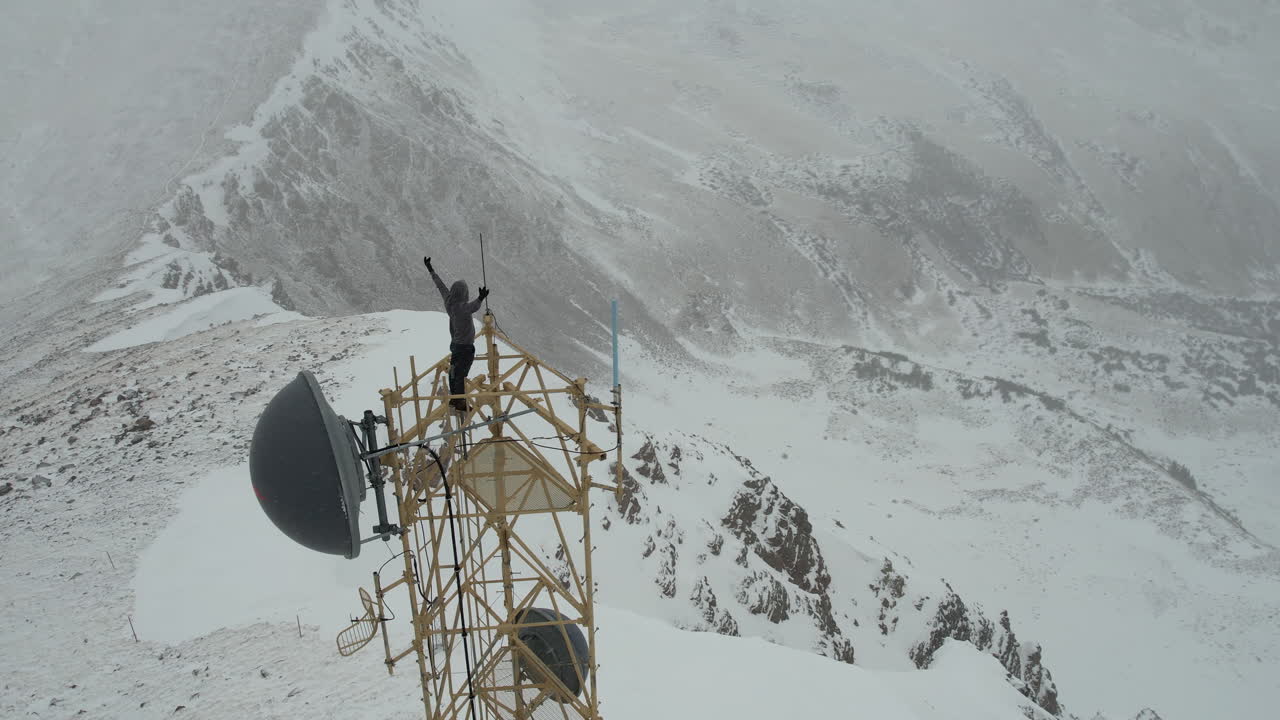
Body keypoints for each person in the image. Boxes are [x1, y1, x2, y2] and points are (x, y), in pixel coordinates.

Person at [424, 256, 488, 412]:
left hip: (456, 345)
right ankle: (459, 401)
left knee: (454, 372)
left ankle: (454, 398)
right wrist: (480, 297)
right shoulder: (462, 307)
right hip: (465, 347)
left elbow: (440, 286)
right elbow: (473, 306)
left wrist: (430, 269)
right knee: (460, 373)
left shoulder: (449, 302)